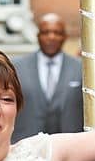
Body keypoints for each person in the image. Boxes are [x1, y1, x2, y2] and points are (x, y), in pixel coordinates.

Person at [10, 13, 84, 142]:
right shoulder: (16, 67)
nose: (51, 37)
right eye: (46, 32)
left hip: (70, 147)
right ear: (38, 36)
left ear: (65, 37)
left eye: (57, 33)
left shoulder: (81, 68)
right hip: (25, 145)